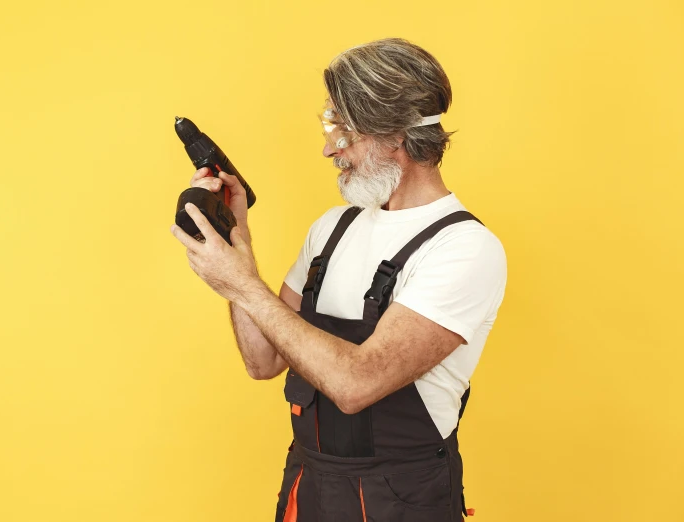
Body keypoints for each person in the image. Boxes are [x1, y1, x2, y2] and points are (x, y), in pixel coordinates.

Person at [171, 37, 507, 522]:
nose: (329, 148)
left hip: (402, 500)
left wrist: (241, 285)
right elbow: (262, 361)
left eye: (345, 131)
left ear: (395, 135)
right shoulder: (332, 228)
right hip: (310, 488)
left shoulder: (463, 248)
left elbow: (356, 384)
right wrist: (236, 239)